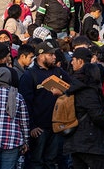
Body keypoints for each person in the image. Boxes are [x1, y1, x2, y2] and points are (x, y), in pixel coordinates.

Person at [19, 41, 71, 169]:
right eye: (51, 54)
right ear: (41, 56)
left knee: (52, 161)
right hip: (39, 129)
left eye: (54, 54)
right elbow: (25, 103)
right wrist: (32, 126)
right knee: (36, 161)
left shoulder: (59, 72)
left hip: (57, 126)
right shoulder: (29, 75)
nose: (55, 57)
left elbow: (73, 87)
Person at [63, 62, 104, 169]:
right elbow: (97, 115)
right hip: (89, 140)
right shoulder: (89, 92)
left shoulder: (76, 88)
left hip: (76, 139)